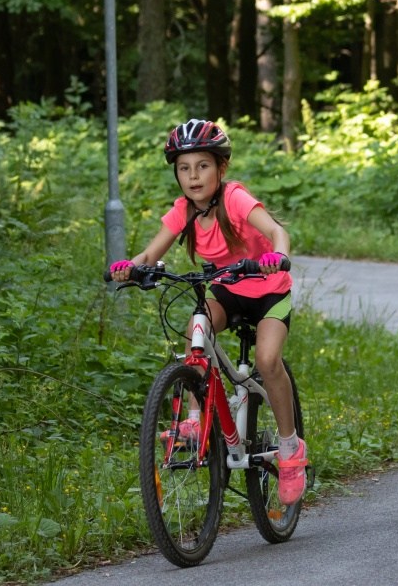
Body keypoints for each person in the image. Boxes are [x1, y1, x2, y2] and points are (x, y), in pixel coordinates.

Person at [109, 118, 308, 505]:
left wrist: (277, 256)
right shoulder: (183, 210)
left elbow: (277, 231)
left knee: (268, 361)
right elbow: (151, 252)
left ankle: (290, 448)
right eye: (184, 168)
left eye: (202, 166)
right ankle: (195, 418)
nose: (193, 176)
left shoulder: (235, 198)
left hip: (268, 289)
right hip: (227, 290)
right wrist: (131, 268)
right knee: (196, 331)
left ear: (221, 167)